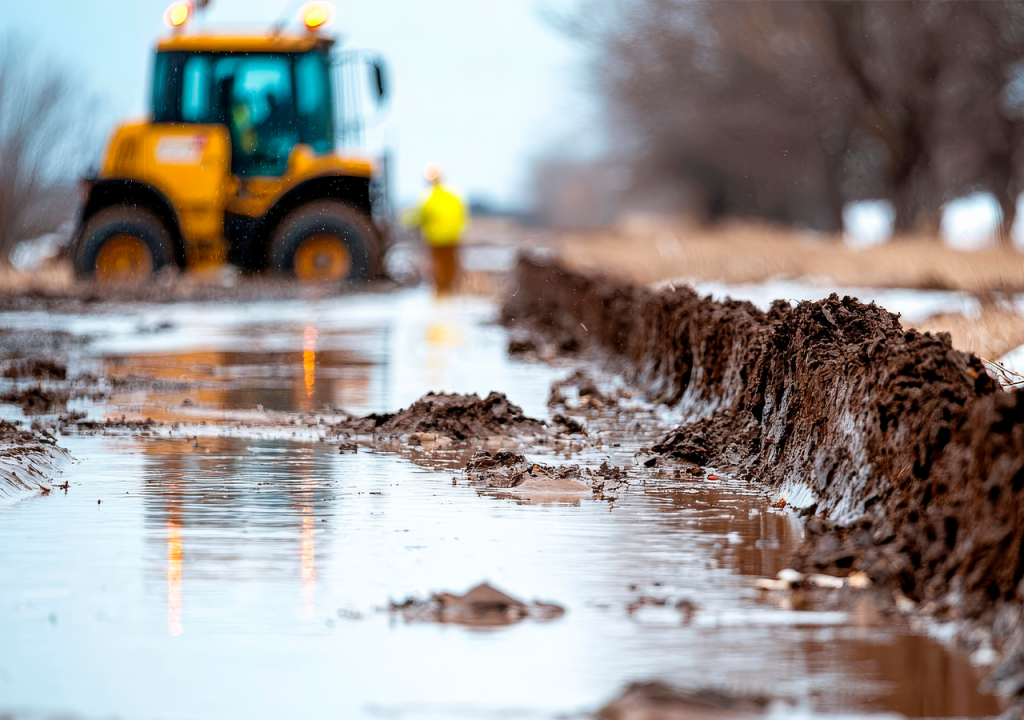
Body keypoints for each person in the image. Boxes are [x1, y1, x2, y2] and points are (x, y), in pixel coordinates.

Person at [403, 162, 467, 295]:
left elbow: (421, 217)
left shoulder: (428, 197)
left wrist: (404, 220)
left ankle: (441, 291)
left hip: (435, 238)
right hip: (452, 237)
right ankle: (450, 289)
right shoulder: (454, 195)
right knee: (450, 265)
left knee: (438, 266)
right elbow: (462, 215)